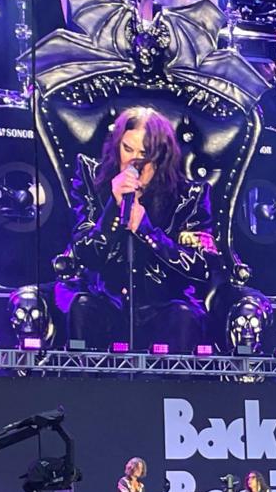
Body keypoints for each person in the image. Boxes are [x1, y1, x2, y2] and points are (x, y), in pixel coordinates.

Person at [54, 107, 215, 353]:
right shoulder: (90, 177)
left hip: (161, 304)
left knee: (183, 317)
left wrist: (146, 231)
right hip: (105, 299)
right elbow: (85, 253)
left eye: (144, 154)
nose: (133, 161)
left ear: (161, 156)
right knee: (82, 306)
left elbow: (200, 268)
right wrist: (112, 210)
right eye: (127, 149)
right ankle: (83, 387)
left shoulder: (189, 196)